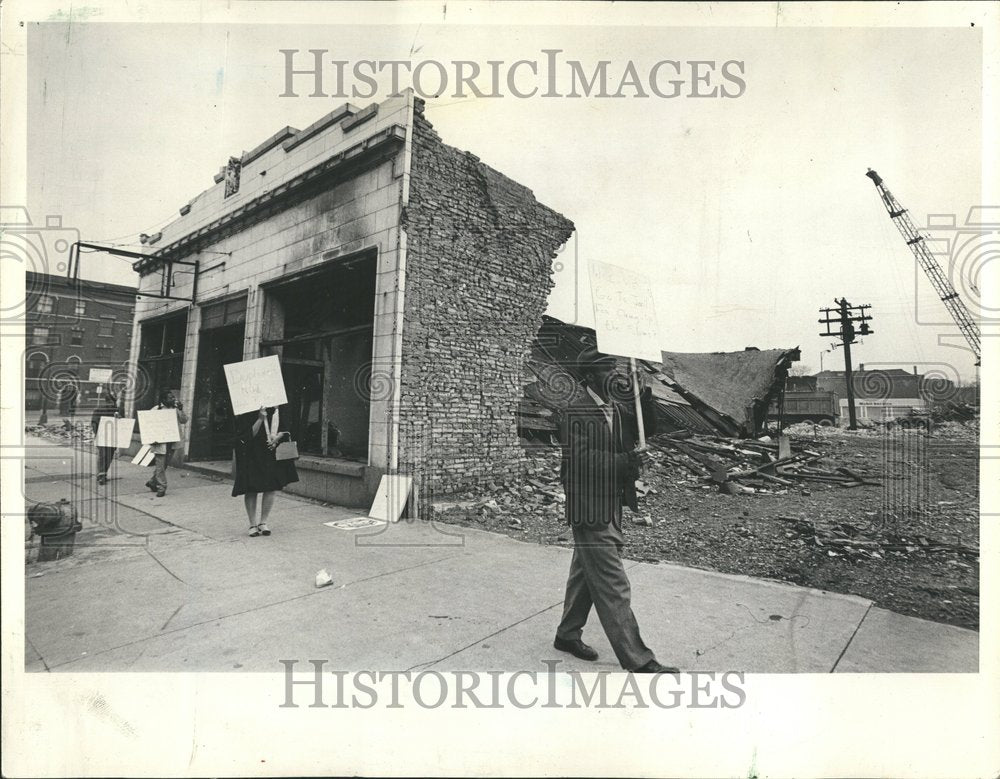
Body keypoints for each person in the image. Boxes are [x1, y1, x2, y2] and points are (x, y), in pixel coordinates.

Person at [552, 346, 678, 674]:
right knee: (613, 583)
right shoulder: (574, 411)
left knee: (585, 573)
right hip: (589, 507)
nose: (614, 376)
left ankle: (567, 635)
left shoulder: (616, 409)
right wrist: (626, 462)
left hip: (610, 505)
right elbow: (580, 463)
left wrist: (644, 395)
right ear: (591, 377)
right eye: (608, 371)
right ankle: (639, 659)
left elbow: (646, 428)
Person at [232, 405, 298, 536]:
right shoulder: (249, 410)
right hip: (253, 453)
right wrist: (260, 419)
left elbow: (286, 430)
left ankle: (263, 522)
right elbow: (245, 436)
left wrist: (278, 438)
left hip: (272, 451)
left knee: (271, 486)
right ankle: (252, 524)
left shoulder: (279, 409)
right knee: (251, 488)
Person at [145, 389, 187, 498]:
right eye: (170, 397)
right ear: (164, 399)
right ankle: (161, 487)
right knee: (160, 466)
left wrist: (181, 410)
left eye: (173, 397)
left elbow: (184, 420)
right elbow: (147, 423)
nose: (173, 399)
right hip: (160, 443)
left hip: (172, 443)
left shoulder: (175, 409)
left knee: (163, 465)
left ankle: (152, 482)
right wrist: (151, 437)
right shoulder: (157, 409)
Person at [90, 384, 124, 486]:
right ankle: (101, 475)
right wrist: (98, 434)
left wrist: (119, 418)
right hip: (103, 437)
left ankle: (102, 473)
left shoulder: (116, 411)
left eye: (112, 402)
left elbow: (122, 424)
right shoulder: (99, 410)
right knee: (103, 455)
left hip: (112, 437)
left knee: (109, 455)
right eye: (109, 401)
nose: (111, 404)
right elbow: (94, 423)